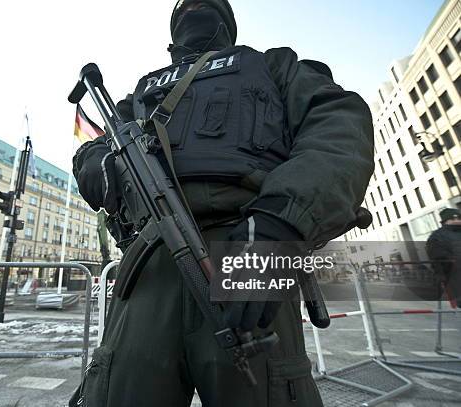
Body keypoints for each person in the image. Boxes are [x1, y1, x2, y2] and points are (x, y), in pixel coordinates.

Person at [71, 1, 374, 406]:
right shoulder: (142, 93)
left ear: (228, 24)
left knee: (266, 391)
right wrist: (99, 164)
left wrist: (283, 224)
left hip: (251, 246)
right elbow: (92, 151)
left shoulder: (273, 66)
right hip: (149, 259)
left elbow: (339, 127)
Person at [426, 208, 461, 306]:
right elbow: (439, 259)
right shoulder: (437, 237)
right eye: (453, 219)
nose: (457, 221)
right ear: (445, 221)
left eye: (459, 218)